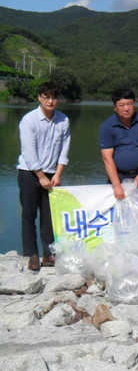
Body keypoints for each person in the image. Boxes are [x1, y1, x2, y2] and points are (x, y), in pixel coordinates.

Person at [17, 81, 71, 271]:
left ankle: (49, 254)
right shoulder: (29, 120)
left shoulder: (63, 120)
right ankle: (31, 255)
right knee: (29, 214)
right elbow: (29, 151)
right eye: (46, 97)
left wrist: (58, 173)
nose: (50, 101)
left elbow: (64, 148)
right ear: (39, 97)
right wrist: (40, 176)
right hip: (29, 173)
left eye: (54, 97)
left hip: (52, 173)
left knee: (49, 217)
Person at [99, 88, 138, 200]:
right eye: (121, 105)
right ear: (115, 107)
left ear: (134, 104)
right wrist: (116, 185)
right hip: (119, 176)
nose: (126, 108)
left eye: (129, 104)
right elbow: (107, 158)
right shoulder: (107, 126)